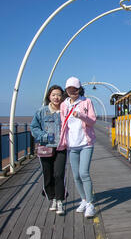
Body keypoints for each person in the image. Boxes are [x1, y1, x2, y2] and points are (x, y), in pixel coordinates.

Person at [58, 77, 97, 218]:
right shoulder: (64, 105)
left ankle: (91, 204)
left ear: (79, 89)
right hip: (72, 145)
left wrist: (80, 115)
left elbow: (92, 121)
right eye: (69, 89)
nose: (72, 91)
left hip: (86, 143)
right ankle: (84, 200)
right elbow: (63, 124)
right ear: (66, 90)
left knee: (84, 173)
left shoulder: (86, 102)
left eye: (75, 89)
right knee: (75, 176)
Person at [31, 85, 67, 215]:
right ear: (49, 97)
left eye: (59, 95)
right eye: (53, 95)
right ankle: (52, 198)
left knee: (59, 174)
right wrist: (45, 136)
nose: (56, 97)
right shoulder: (42, 111)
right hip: (46, 147)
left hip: (61, 147)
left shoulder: (65, 111)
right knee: (48, 175)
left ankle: (60, 201)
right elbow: (34, 127)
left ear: (62, 96)